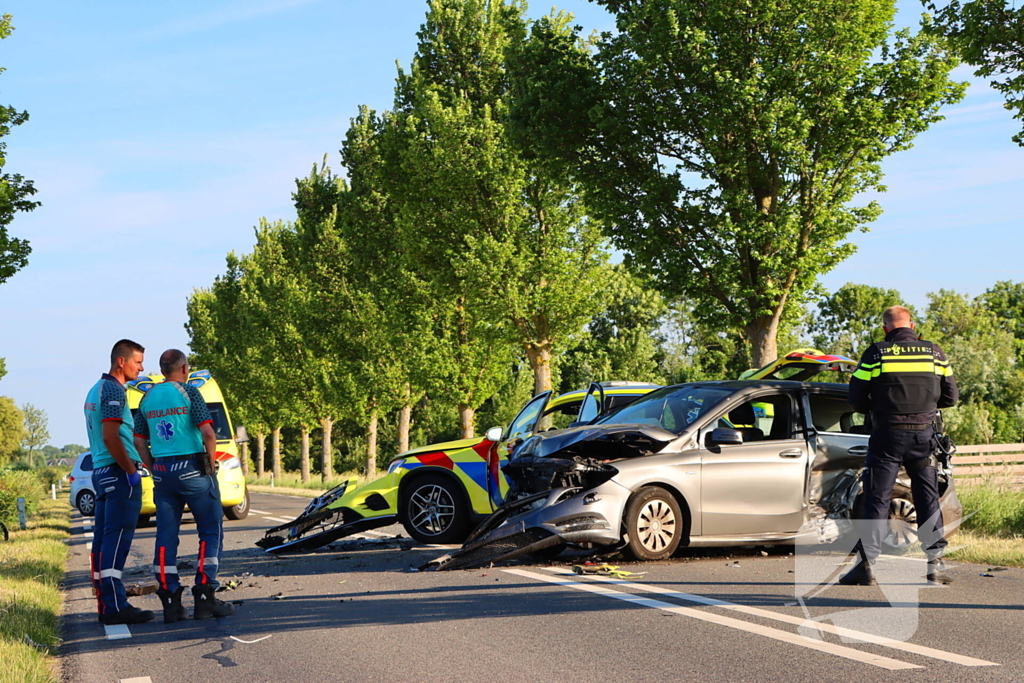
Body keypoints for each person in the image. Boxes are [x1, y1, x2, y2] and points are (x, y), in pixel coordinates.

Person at [841, 305, 959, 586]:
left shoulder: (876, 352)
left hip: (887, 436)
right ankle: (936, 563)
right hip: (923, 436)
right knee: (927, 498)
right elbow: (951, 397)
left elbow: (855, 399)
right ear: (913, 326)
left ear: (885, 329)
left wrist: (879, 407)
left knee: (878, 498)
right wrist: (926, 408)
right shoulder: (935, 353)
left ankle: (866, 566)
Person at [133, 349, 234, 622]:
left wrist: (153, 467)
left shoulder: (148, 397)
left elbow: (139, 441)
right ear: (184, 367)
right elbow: (209, 433)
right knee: (210, 530)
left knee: (166, 536)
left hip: (163, 472)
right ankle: (204, 594)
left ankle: (170, 600)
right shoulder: (190, 393)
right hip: (193, 469)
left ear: (162, 369)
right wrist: (211, 464)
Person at [84, 339, 155, 625]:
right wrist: (131, 471)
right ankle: (116, 607)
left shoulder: (95, 388)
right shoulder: (114, 390)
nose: (142, 367)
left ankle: (106, 604)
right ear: (121, 362)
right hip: (116, 473)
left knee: (103, 541)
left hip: (101, 472)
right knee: (117, 542)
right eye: (138, 361)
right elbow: (111, 435)